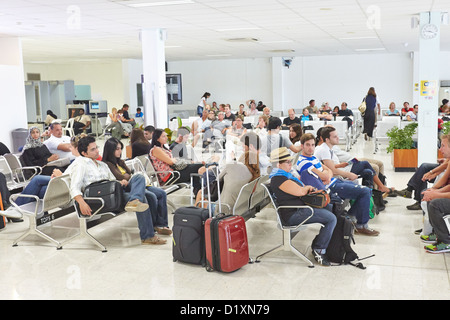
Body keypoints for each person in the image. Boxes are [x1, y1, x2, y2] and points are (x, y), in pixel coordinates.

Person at [298, 133, 379, 236]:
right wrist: (326, 175)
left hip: (334, 182)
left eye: (313, 145)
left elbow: (329, 170)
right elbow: (325, 175)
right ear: (302, 146)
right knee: (365, 191)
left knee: (364, 190)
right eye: (308, 145)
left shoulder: (312, 158)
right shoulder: (303, 162)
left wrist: (326, 175)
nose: (311, 148)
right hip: (330, 188)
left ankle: (350, 218)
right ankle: (361, 225)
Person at [269, 147, 337, 266]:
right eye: (287, 162)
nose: (290, 164)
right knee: (331, 218)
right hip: (293, 214)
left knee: (331, 208)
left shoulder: (284, 175)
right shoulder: (279, 179)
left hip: (300, 208)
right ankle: (319, 250)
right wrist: (306, 188)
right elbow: (300, 192)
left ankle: (328, 243)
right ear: (278, 165)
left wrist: (306, 188)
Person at [102, 138, 169, 245]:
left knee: (160, 193)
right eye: (117, 149)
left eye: (120, 148)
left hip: (134, 186)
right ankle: (147, 235)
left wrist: (127, 177)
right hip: (123, 189)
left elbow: (128, 176)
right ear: (110, 150)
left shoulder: (120, 162)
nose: (120, 151)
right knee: (146, 193)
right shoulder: (108, 164)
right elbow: (121, 177)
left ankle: (159, 224)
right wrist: (128, 177)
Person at [0, 134, 84, 220]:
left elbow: (73, 180)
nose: (70, 149)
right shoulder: (83, 161)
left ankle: (16, 208)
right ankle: (41, 217)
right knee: (37, 188)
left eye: (71, 147)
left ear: (77, 149)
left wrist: (60, 176)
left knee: (37, 181)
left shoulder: (78, 163)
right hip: (65, 191)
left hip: (66, 190)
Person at [315, 126, 392, 194]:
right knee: (365, 163)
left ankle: (372, 196)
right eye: (335, 137)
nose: (338, 138)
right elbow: (333, 171)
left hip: (340, 170)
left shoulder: (328, 148)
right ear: (327, 139)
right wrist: (349, 174)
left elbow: (329, 166)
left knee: (368, 172)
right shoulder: (324, 150)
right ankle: (380, 187)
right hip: (335, 177)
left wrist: (340, 165)